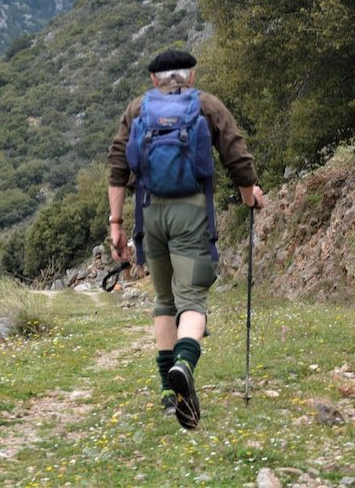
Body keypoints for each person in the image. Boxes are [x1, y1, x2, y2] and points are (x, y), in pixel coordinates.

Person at [106, 49, 265, 429]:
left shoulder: (137, 109)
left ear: (153, 79)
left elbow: (117, 164)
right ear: (191, 77)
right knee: (192, 297)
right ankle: (184, 363)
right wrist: (249, 196)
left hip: (150, 213)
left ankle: (167, 392)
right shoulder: (205, 104)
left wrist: (116, 224)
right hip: (191, 211)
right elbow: (236, 155)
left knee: (163, 299)